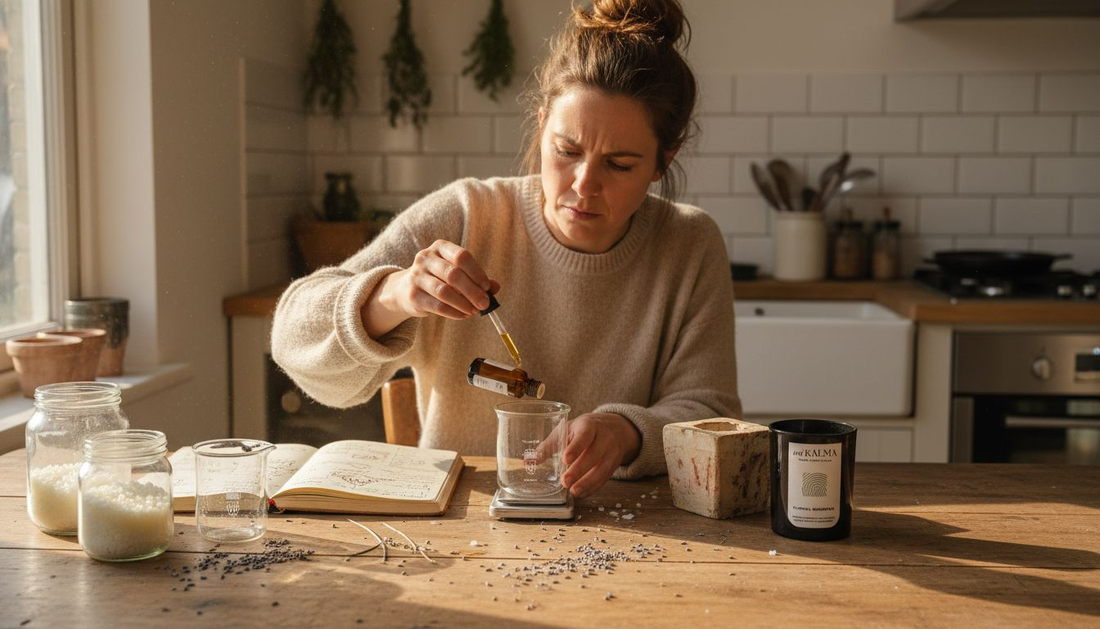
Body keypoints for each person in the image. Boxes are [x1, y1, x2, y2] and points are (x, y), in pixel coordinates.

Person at [271, 0, 741, 499]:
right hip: (456, 534)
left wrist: (626, 433)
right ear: (541, 127)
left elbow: (711, 415)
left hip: (634, 530)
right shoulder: (466, 214)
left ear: (662, 161)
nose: (584, 186)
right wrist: (395, 296)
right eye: (567, 151)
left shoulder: (690, 244)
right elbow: (292, 340)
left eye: (620, 164)